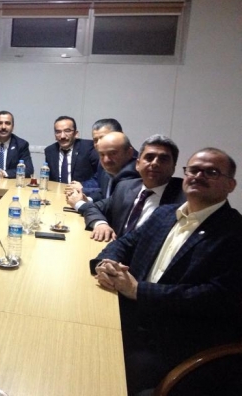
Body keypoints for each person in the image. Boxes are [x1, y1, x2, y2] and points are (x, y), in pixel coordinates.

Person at [90, 148, 242, 395]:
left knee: (96, 372)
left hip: (172, 343)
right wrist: (105, 263)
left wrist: (138, 290)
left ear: (230, 185)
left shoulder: (234, 233)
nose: (198, 176)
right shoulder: (164, 214)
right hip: (128, 317)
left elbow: (216, 296)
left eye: (211, 172)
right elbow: (125, 243)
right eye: (193, 170)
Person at [68, 135, 186, 241]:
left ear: (173, 167)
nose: (155, 163)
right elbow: (95, 207)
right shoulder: (126, 187)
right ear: (138, 164)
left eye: (163, 159)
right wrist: (100, 223)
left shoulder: (184, 199)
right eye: (149, 157)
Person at [44, 115, 99, 184]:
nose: (62, 136)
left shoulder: (88, 147)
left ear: (76, 134)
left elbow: (101, 175)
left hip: (81, 189)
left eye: (67, 131)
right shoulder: (50, 151)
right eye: (58, 132)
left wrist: (83, 186)